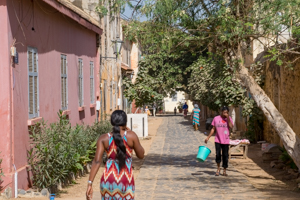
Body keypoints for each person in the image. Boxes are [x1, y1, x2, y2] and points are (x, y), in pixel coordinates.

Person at [86, 110, 145, 200]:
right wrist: (131, 133)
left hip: (107, 181)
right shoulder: (131, 136)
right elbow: (141, 155)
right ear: (125, 122)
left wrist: (90, 183)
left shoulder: (104, 138)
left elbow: (97, 161)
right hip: (126, 181)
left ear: (112, 122)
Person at [205, 106, 233, 176]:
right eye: (224, 112)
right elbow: (213, 129)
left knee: (225, 155)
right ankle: (218, 168)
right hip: (218, 140)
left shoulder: (229, 119)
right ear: (221, 112)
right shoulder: (216, 118)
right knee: (218, 154)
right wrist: (208, 137)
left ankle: (224, 170)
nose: (225, 114)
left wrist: (228, 118)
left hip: (226, 140)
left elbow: (231, 126)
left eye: (226, 113)